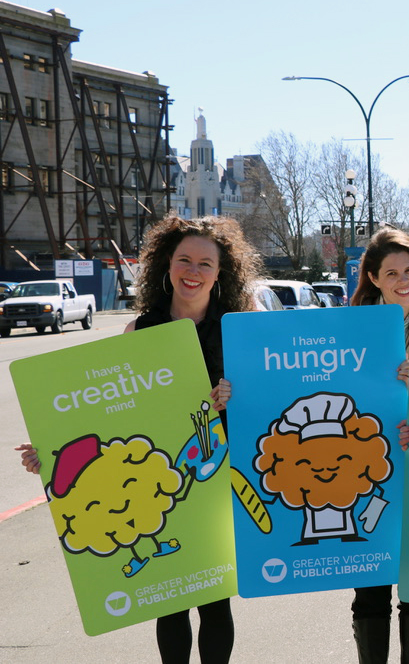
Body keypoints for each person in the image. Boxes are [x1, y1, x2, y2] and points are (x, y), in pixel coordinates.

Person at [17, 215, 262, 664]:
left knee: (215, 596)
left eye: (205, 263)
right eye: (184, 259)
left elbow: (271, 406)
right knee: (170, 599)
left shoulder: (240, 331)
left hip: (219, 478)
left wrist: (237, 397)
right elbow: (107, 413)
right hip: (158, 479)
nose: (193, 271)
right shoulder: (141, 331)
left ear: (220, 272)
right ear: (167, 264)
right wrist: (48, 449)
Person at [348, 227, 409, 664]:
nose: (403, 280)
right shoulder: (350, 331)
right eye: (391, 273)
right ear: (373, 278)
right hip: (366, 470)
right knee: (370, 585)